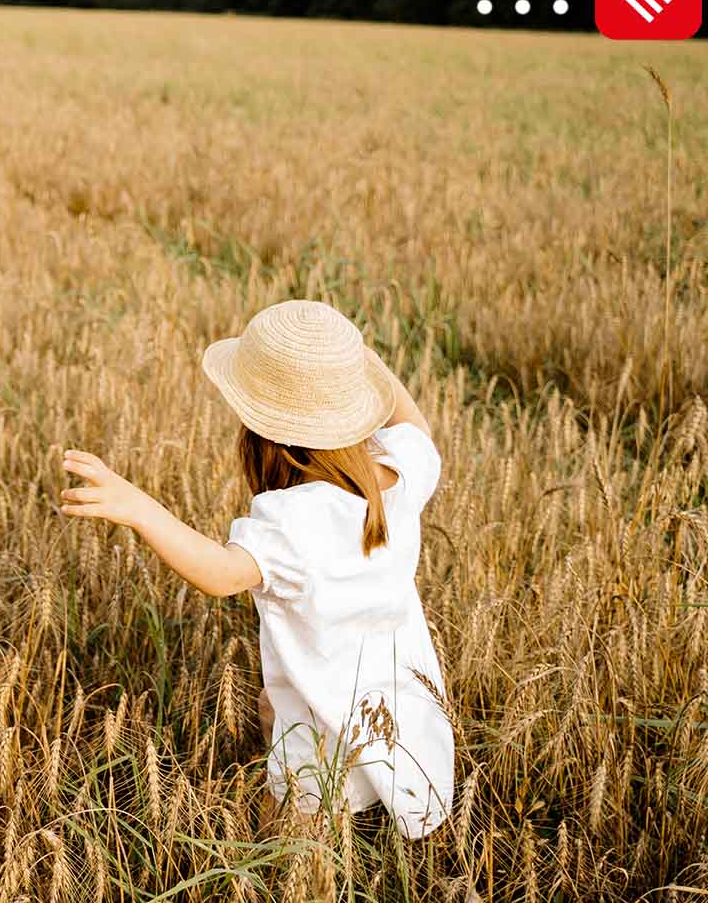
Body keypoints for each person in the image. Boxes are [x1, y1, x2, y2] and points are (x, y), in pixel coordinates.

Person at [56, 299, 453, 838]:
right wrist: (359, 364)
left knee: (287, 852)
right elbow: (416, 424)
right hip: (394, 695)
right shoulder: (401, 470)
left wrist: (140, 508)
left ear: (265, 434)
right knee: (275, 703)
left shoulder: (294, 520)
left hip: (319, 724)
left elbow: (220, 573)